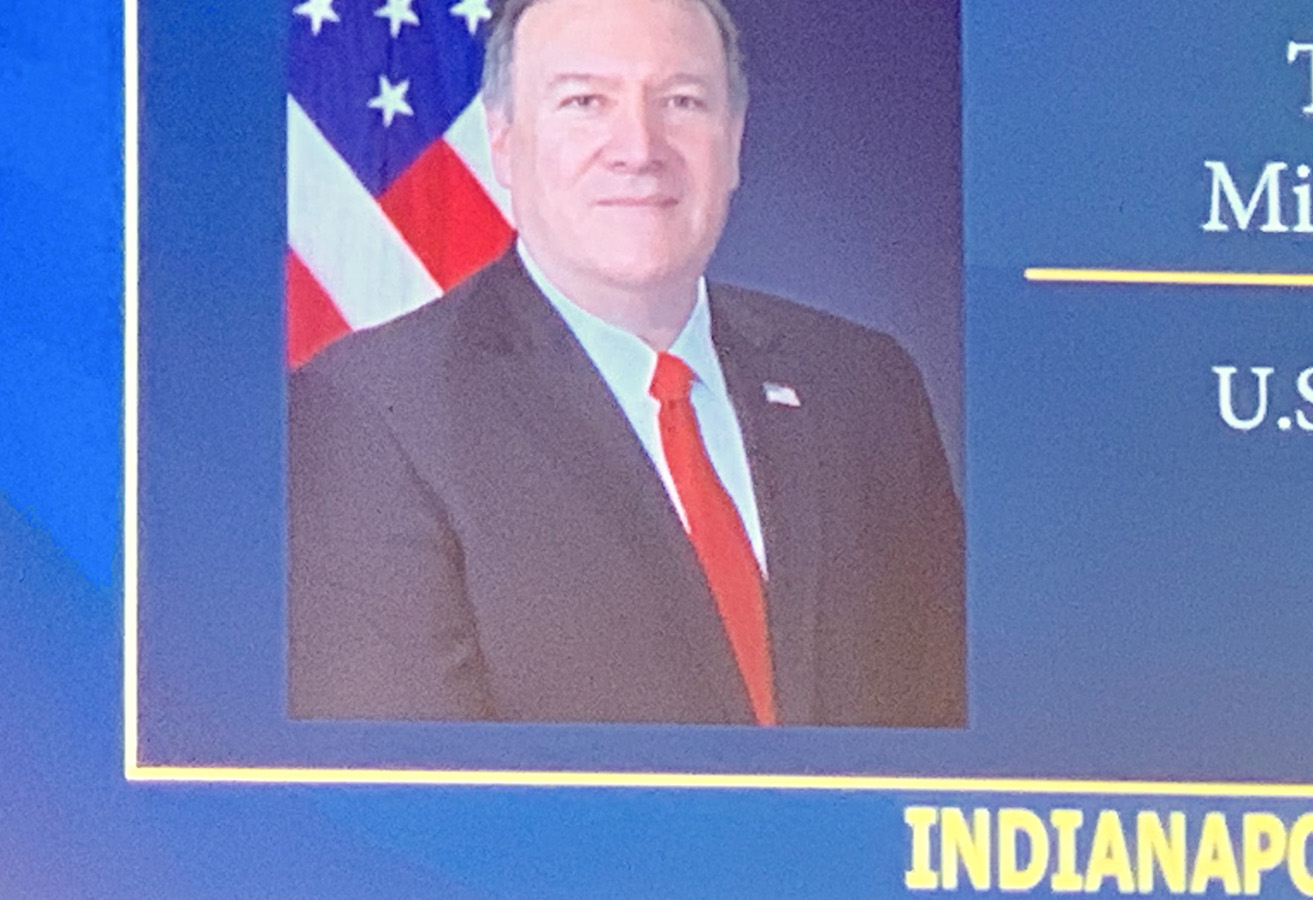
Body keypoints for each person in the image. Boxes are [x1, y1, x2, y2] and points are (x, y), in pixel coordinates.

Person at [288, 0, 964, 726]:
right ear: (505, 143)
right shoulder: (373, 413)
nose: (639, 148)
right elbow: (409, 804)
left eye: (681, 101)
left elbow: (952, 747)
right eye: (586, 102)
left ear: (733, 140)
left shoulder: (866, 385)